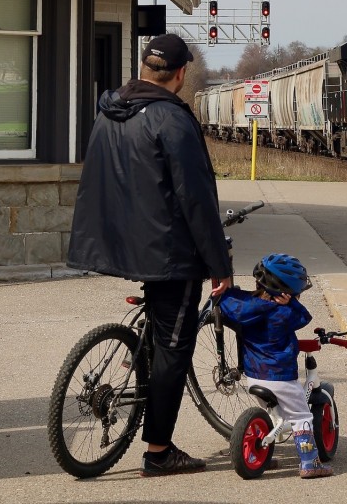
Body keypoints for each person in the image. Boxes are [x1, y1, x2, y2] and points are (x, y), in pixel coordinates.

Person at [67, 33, 232, 477]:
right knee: (174, 350)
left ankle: (136, 374)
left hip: (121, 242)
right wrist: (220, 264)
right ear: (180, 74)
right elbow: (196, 199)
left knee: (159, 340)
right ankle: (159, 452)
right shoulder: (172, 119)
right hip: (169, 255)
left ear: (144, 67)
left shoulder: (110, 111)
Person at [219, 253, 334, 478]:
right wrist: (292, 305)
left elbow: (228, 300)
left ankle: (261, 453)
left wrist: (225, 291)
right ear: (287, 293)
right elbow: (305, 318)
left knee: (275, 413)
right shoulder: (283, 312)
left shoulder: (243, 306)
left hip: (254, 376)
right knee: (301, 416)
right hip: (280, 378)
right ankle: (310, 463)